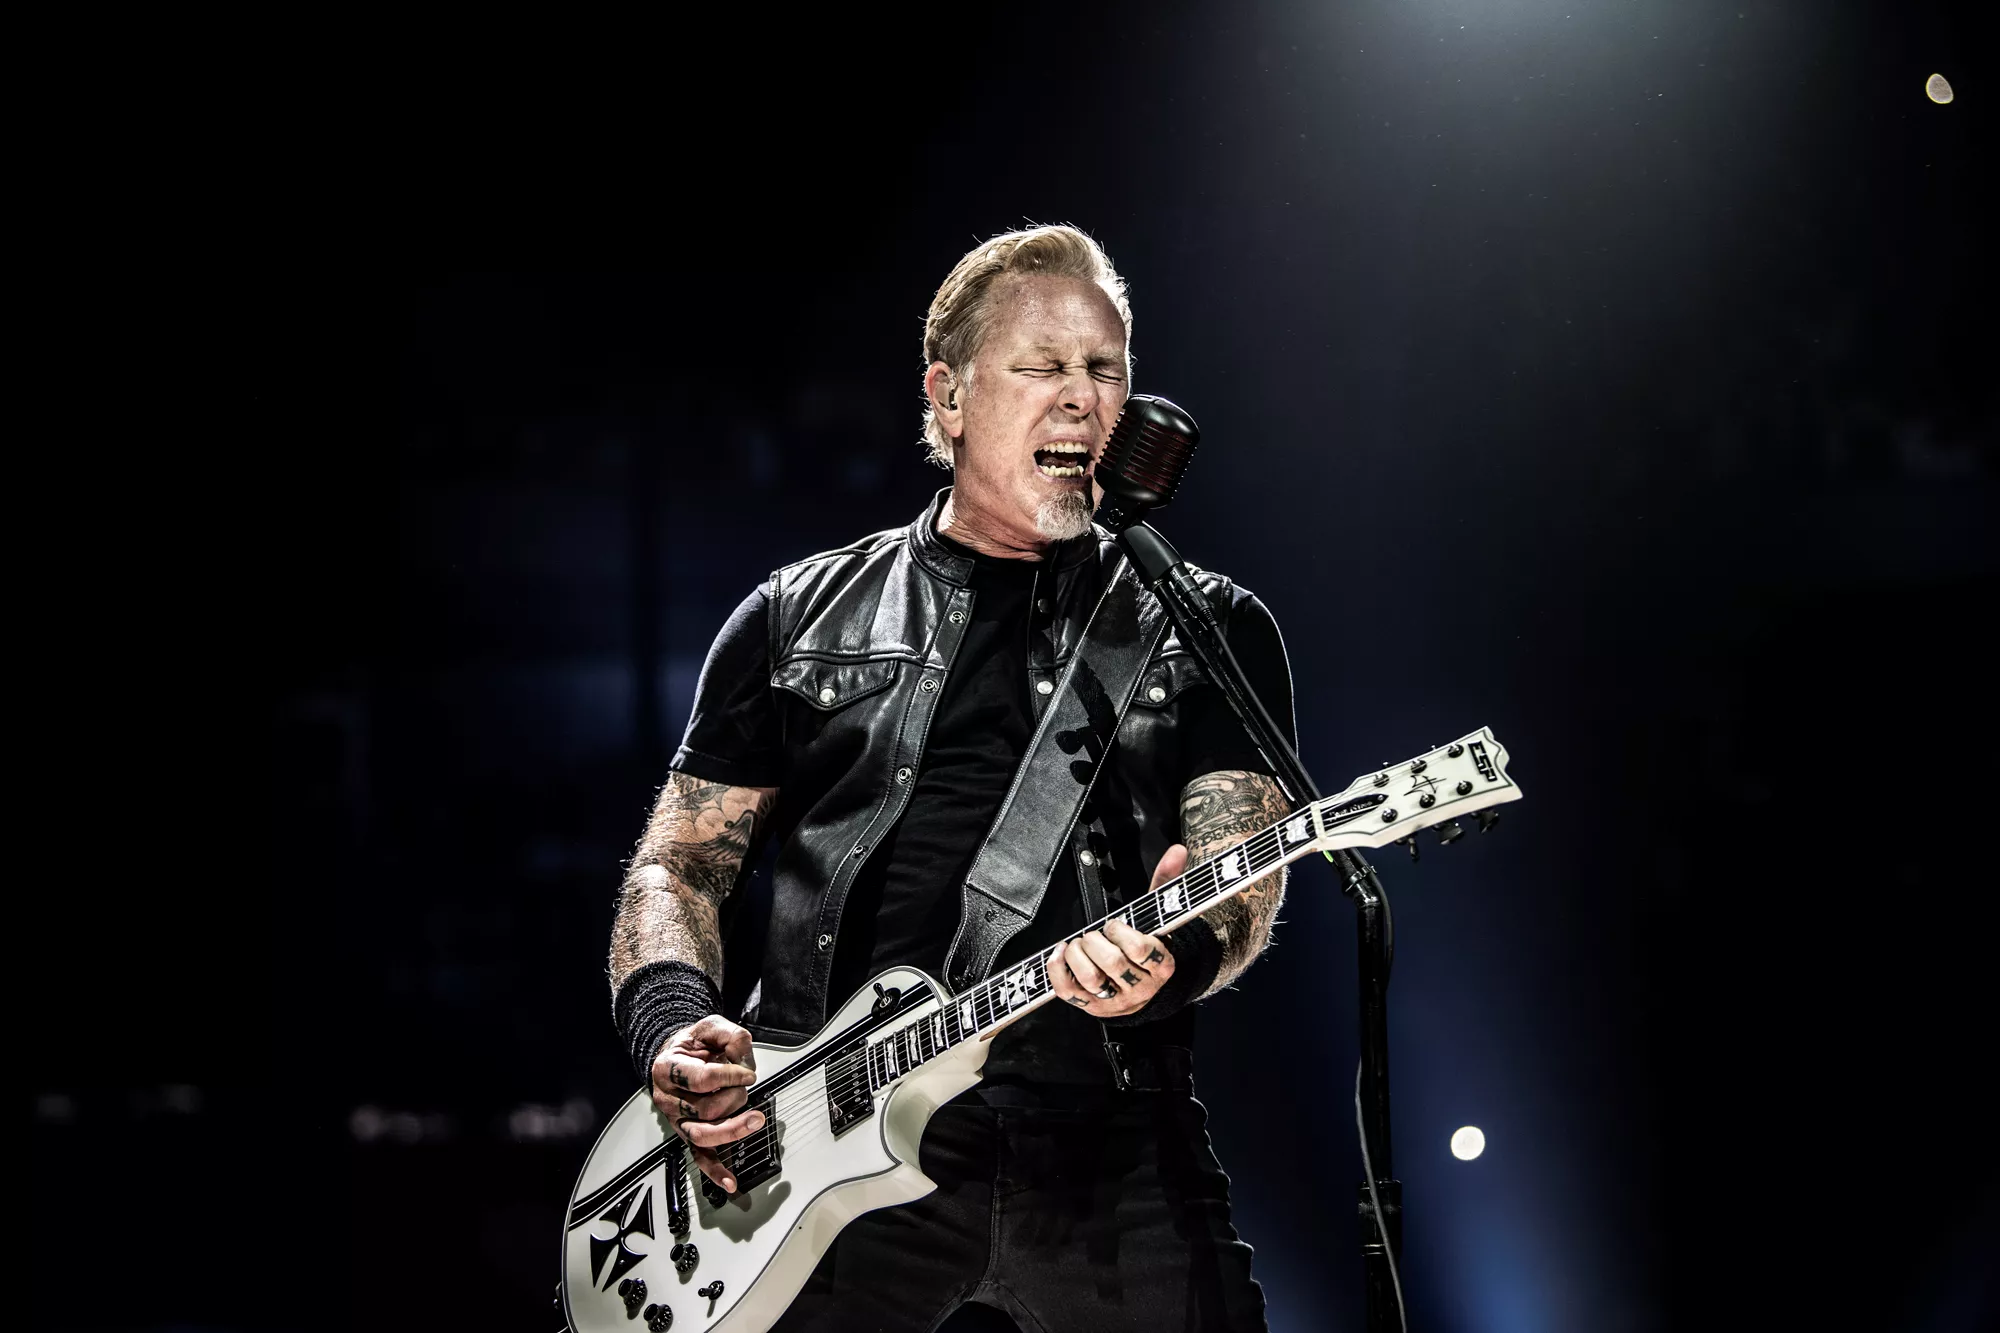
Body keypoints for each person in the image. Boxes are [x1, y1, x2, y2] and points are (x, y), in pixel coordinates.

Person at [608, 225, 1297, 1332]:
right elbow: (678, 866)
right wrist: (673, 1022)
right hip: (817, 1138)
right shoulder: (796, 617)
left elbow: (1242, 867)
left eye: (1105, 369)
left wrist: (1182, 955)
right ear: (949, 395)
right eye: (1042, 365)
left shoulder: (1205, 625)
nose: (1081, 398)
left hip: (1110, 1139)